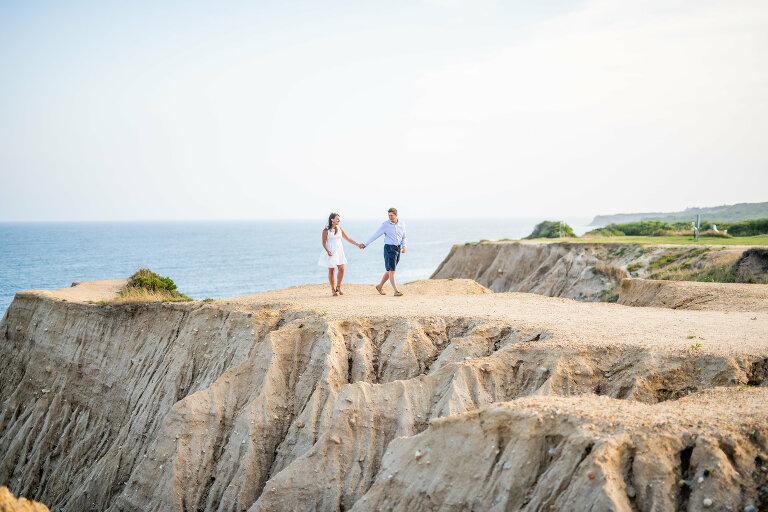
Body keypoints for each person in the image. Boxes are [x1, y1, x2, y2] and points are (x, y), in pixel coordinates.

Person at [360, 207, 407, 296]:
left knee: (390, 270)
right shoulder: (385, 225)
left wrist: (404, 246)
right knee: (392, 271)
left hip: (398, 248)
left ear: (396, 215)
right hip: (389, 248)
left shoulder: (402, 224)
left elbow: (404, 236)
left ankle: (379, 286)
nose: (390, 217)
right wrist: (365, 244)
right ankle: (396, 291)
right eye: (389, 215)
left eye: (392, 215)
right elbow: (376, 235)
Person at [318, 213, 361, 296]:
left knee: (341, 269)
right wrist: (327, 251)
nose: (339, 220)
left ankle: (338, 286)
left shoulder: (339, 228)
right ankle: (332, 289)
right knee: (332, 270)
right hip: (330, 251)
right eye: (337, 218)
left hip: (339, 251)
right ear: (332, 220)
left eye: (339, 218)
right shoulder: (326, 230)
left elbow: (348, 238)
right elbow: (323, 243)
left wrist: (358, 244)